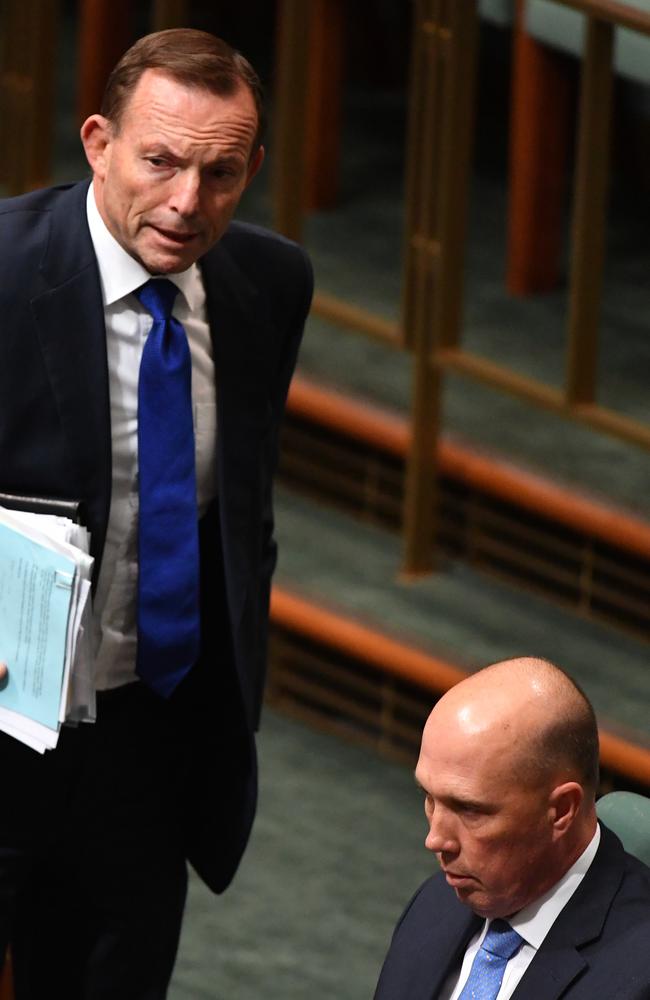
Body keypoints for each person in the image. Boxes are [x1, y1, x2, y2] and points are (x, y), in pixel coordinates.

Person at [0, 27, 312, 998]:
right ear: (98, 142)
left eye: (219, 172)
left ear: (251, 166)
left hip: (153, 729)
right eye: (160, 161)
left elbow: (241, 502)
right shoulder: (4, 271)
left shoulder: (268, 284)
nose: (187, 202)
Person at [374, 657, 650, 999]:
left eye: (470, 810)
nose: (435, 840)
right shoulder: (433, 906)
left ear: (561, 810)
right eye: (429, 798)